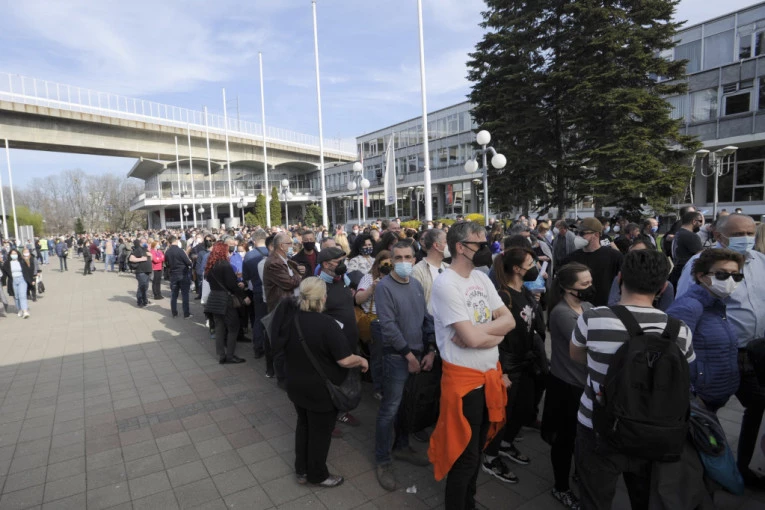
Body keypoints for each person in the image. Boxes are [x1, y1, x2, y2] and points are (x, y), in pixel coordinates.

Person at [569, 249, 694, 509]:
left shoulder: (593, 318)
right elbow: (684, 373)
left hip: (598, 425)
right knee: (645, 497)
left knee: (594, 498)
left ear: (620, 278)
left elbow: (577, 356)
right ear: (663, 287)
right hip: (654, 428)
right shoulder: (679, 330)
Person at [428, 221, 515, 510]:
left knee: (477, 450)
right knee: (464, 457)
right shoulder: (446, 284)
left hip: (487, 377)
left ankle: (469, 502)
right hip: (464, 385)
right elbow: (475, 337)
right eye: (480, 244)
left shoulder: (481, 277)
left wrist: (481, 334)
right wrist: (492, 334)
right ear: (460, 247)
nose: (486, 249)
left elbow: (509, 321)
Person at [676, 213, 765, 486]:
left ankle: (745, 467)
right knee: (706, 416)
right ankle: (705, 474)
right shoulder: (701, 265)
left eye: (750, 233)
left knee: (758, 407)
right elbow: (685, 311)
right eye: (739, 234)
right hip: (715, 357)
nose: (746, 239)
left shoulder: (760, 262)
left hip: (754, 354)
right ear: (718, 235)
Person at [283, 277, 369, 487]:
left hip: (296, 384)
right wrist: (361, 360)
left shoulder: (292, 318)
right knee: (320, 434)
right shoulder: (327, 324)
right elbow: (345, 360)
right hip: (321, 391)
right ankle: (318, 475)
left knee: (303, 425)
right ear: (323, 298)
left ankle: (301, 470)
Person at [374, 241, 436, 491]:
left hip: (418, 355)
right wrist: (409, 356)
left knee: (407, 406)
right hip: (397, 358)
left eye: (407, 257)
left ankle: (401, 446)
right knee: (389, 409)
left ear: (414, 259)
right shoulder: (384, 287)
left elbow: (426, 319)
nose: (403, 262)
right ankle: (382, 460)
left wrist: (430, 350)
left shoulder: (416, 285)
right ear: (391, 260)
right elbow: (388, 327)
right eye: (398, 257)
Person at [483, 247, 546, 484]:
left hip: (526, 361)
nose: (535, 267)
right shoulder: (502, 296)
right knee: (503, 414)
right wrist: (500, 370)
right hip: (508, 364)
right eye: (530, 264)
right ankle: (490, 457)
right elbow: (494, 335)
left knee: (524, 408)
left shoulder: (525, 291)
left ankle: (506, 444)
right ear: (517, 269)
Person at [542, 262, 593, 509]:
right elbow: (589, 344)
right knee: (565, 439)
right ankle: (560, 487)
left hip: (583, 383)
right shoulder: (562, 313)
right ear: (567, 288)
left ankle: (579, 472)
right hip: (566, 386)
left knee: (581, 437)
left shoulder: (588, 307)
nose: (590, 287)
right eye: (584, 284)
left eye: (590, 281)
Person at [667, 248, 743, 413]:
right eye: (722, 274)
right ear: (701, 276)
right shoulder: (688, 307)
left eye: (736, 275)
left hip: (715, 396)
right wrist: (692, 394)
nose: (730, 280)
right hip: (698, 401)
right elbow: (672, 356)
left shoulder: (716, 305)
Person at [317, 246, 362, 428]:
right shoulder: (318, 286)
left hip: (349, 339)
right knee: (331, 380)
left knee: (346, 378)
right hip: (333, 344)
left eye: (343, 260)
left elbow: (351, 294)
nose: (343, 264)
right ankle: (327, 419)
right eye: (338, 262)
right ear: (326, 264)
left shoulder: (343, 278)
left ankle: (341, 411)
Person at [264, 233, 304, 380]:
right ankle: (281, 375)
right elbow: (288, 283)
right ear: (281, 246)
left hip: (287, 304)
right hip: (280, 306)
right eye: (289, 243)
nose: (292, 246)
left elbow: (293, 269)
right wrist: (299, 276)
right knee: (279, 340)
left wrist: (299, 269)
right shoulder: (274, 262)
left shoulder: (283, 259)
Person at [561, 217, 623, 307]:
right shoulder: (570, 258)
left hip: (606, 309)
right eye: (577, 232)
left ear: (596, 235)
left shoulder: (615, 256)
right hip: (579, 308)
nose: (578, 236)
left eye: (582, 233)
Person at [204, 242, 250, 364]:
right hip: (225, 299)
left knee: (219, 328)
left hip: (214, 298)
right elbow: (232, 285)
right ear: (222, 251)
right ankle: (230, 355)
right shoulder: (224, 264)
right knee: (233, 327)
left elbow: (212, 280)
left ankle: (221, 355)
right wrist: (244, 296)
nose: (228, 252)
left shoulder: (210, 265)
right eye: (227, 250)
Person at [355, 250, 393, 399]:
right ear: (377, 264)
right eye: (385, 264)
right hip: (376, 322)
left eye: (391, 264)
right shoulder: (368, 278)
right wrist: (372, 287)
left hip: (393, 321)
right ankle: (379, 388)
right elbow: (358, 299)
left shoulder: (396, 278)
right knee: (379, 357)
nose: (387, 267)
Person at [607, 239, 675, 311]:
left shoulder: (665, 285)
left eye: (641, 255)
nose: (635, 258)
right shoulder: (621, 278)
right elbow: (612, 303)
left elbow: (667, 310)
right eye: (631, 255)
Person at [243, 229, 269, 359]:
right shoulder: (272, 252)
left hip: (258, 291)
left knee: (258, 319)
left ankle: (258, 347)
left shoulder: (249, 255)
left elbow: (245, 276)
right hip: (272, 291)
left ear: (254, 241)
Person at [411, 228, 449, 312]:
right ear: (436, 245)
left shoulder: (448, 268)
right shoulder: (417, 271)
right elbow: (415, 303)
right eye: (446, 242)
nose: (449, 246)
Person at [667, 210, 704, 288]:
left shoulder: (678, 233)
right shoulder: (691, 236)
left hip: (677, 271)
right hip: (687, 273)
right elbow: (701, 256)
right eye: (700, 221)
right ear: (694, 221)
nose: (701, 224)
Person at [165, 235, 193, 319]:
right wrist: (190, 262)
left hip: (173, 274)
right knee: (185, 294)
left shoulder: (167, 252)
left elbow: (167, 264)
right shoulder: (180, 251)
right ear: (176, 241)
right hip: (182, 274)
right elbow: (188, 262)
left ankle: (174, 313)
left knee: (174, 295)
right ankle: (186, 313)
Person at [1, 248, 33, 318]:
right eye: (12, 254)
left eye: (15, 253)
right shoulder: (7, 263)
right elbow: (4, 274)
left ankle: (25, 311)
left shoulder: (21, 261)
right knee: (16, 297)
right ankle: (19, 309)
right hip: (13, 281)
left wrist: (31, 280)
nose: (14, 255)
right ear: (10, 255)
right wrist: (4, 283)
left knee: (22, 295)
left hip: (22, 280)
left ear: (18, 254)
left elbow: (27, 271)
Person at [128, 238, 153, 308]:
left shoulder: (146, 249)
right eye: (144, 242)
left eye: (146, 242)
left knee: (145, 287)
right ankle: (140, 302)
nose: (145, 243)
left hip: (147, 271)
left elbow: (150, 259)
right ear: (140, 243)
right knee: (141, 287)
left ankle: (145, 301)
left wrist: (151, 255)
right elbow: (131, 258)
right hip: (141, 272)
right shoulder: (138, 250)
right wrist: (141, 259)